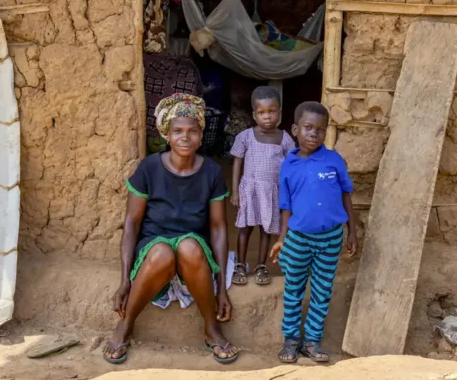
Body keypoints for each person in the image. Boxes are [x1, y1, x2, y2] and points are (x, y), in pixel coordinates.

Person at [103, 93, 240, 365]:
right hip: (154, 245)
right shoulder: (149, 168)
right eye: (178, 131)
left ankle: (211, 328)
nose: (185, 137)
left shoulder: (212, 172)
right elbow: (131, 224)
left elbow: (218, 228)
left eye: (193, 131)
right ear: (167, 134)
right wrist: (125, 280)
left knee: (188, 246)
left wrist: (221, 289)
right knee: (163, 252)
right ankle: (126, 324)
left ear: (202, 135)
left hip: (194, 250)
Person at [270, 101, 358, 364]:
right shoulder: (288, 165)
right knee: (293, 290)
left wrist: (351, 232)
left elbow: (346, 196)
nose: (314, 134)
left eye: (320, 130)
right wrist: (282, 239)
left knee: (322, 290)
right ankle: (290, 340)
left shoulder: (333, 160)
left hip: (331, 239)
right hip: (298, 239)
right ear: (296, 129)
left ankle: (312, 341)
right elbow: (285, 207)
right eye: (308, 128)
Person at [230, 86, 294, 287]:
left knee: (266, 230)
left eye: (272, 111)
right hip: (250, 189)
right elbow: (237, 162)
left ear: (280, 113)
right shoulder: (245, 136)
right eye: (262, 112)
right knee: (245, 228)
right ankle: (240, 264)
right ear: (254, 114)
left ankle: (261, 265)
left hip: (272, 192)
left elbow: (292, 166)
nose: (267, 117)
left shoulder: (285, 139)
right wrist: (234, 191)